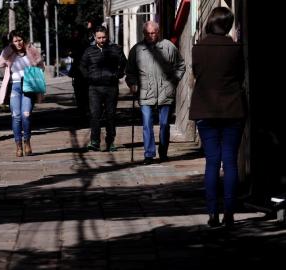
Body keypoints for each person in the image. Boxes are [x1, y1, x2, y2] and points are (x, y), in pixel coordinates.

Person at [189, 7, 246, 228]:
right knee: (230, 162)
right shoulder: (235, 49)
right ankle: (229, 213)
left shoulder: (198, 48)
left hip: (205, 110)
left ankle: (212, 213)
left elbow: (197, 73)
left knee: (212, 162)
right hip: (232, 109)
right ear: (229, 24)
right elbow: (240, 76)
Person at [125, 21, 185, 165]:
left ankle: (163, 152)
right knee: (147, 124)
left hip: (165, 92)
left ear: (158, 32)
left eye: (153, 33)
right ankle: (149, 154)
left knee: (164, 124)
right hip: (145, 92)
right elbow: (130, 71)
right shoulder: (137, 50)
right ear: (143, 34)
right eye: (147, 33)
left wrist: (173, 82)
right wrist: (132, 83)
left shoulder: (168, 46)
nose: (150, 36)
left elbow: (181, 66)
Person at [0, 31, 44, 157]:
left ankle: (27, 141)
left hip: (28, 85)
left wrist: (34, 70)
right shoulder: (9, 53)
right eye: (15, 41)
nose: (18, 43)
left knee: (26, 115)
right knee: (16, 116)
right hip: (15, 86)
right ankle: (18, 145)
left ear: (24, 40)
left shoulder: (30, 50)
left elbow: (41, 66)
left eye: (20, 40)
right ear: (12, 42)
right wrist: (7, 51)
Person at [80, 26, 127, 152]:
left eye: (104, 37)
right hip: (94, 88)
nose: (101, 40)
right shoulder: (89, 51)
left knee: (110, 115)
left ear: (107, 37)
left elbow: (123, 63)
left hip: (111, 87)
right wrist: (89, 77)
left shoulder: (115, 49)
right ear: (95, 37)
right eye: (99, 38)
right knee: (95, 114)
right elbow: (82, 66)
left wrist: (118, 74)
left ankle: (110, 141)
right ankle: (95, 141)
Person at [68, 25, 90, 119]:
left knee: (84, 93)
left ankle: (85, 111)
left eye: (76, 33)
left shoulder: (84, 43)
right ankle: (83, 111)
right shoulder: (76, 42)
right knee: (80, 93)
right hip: (78, 72)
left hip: (84, 72)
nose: (75, 35)